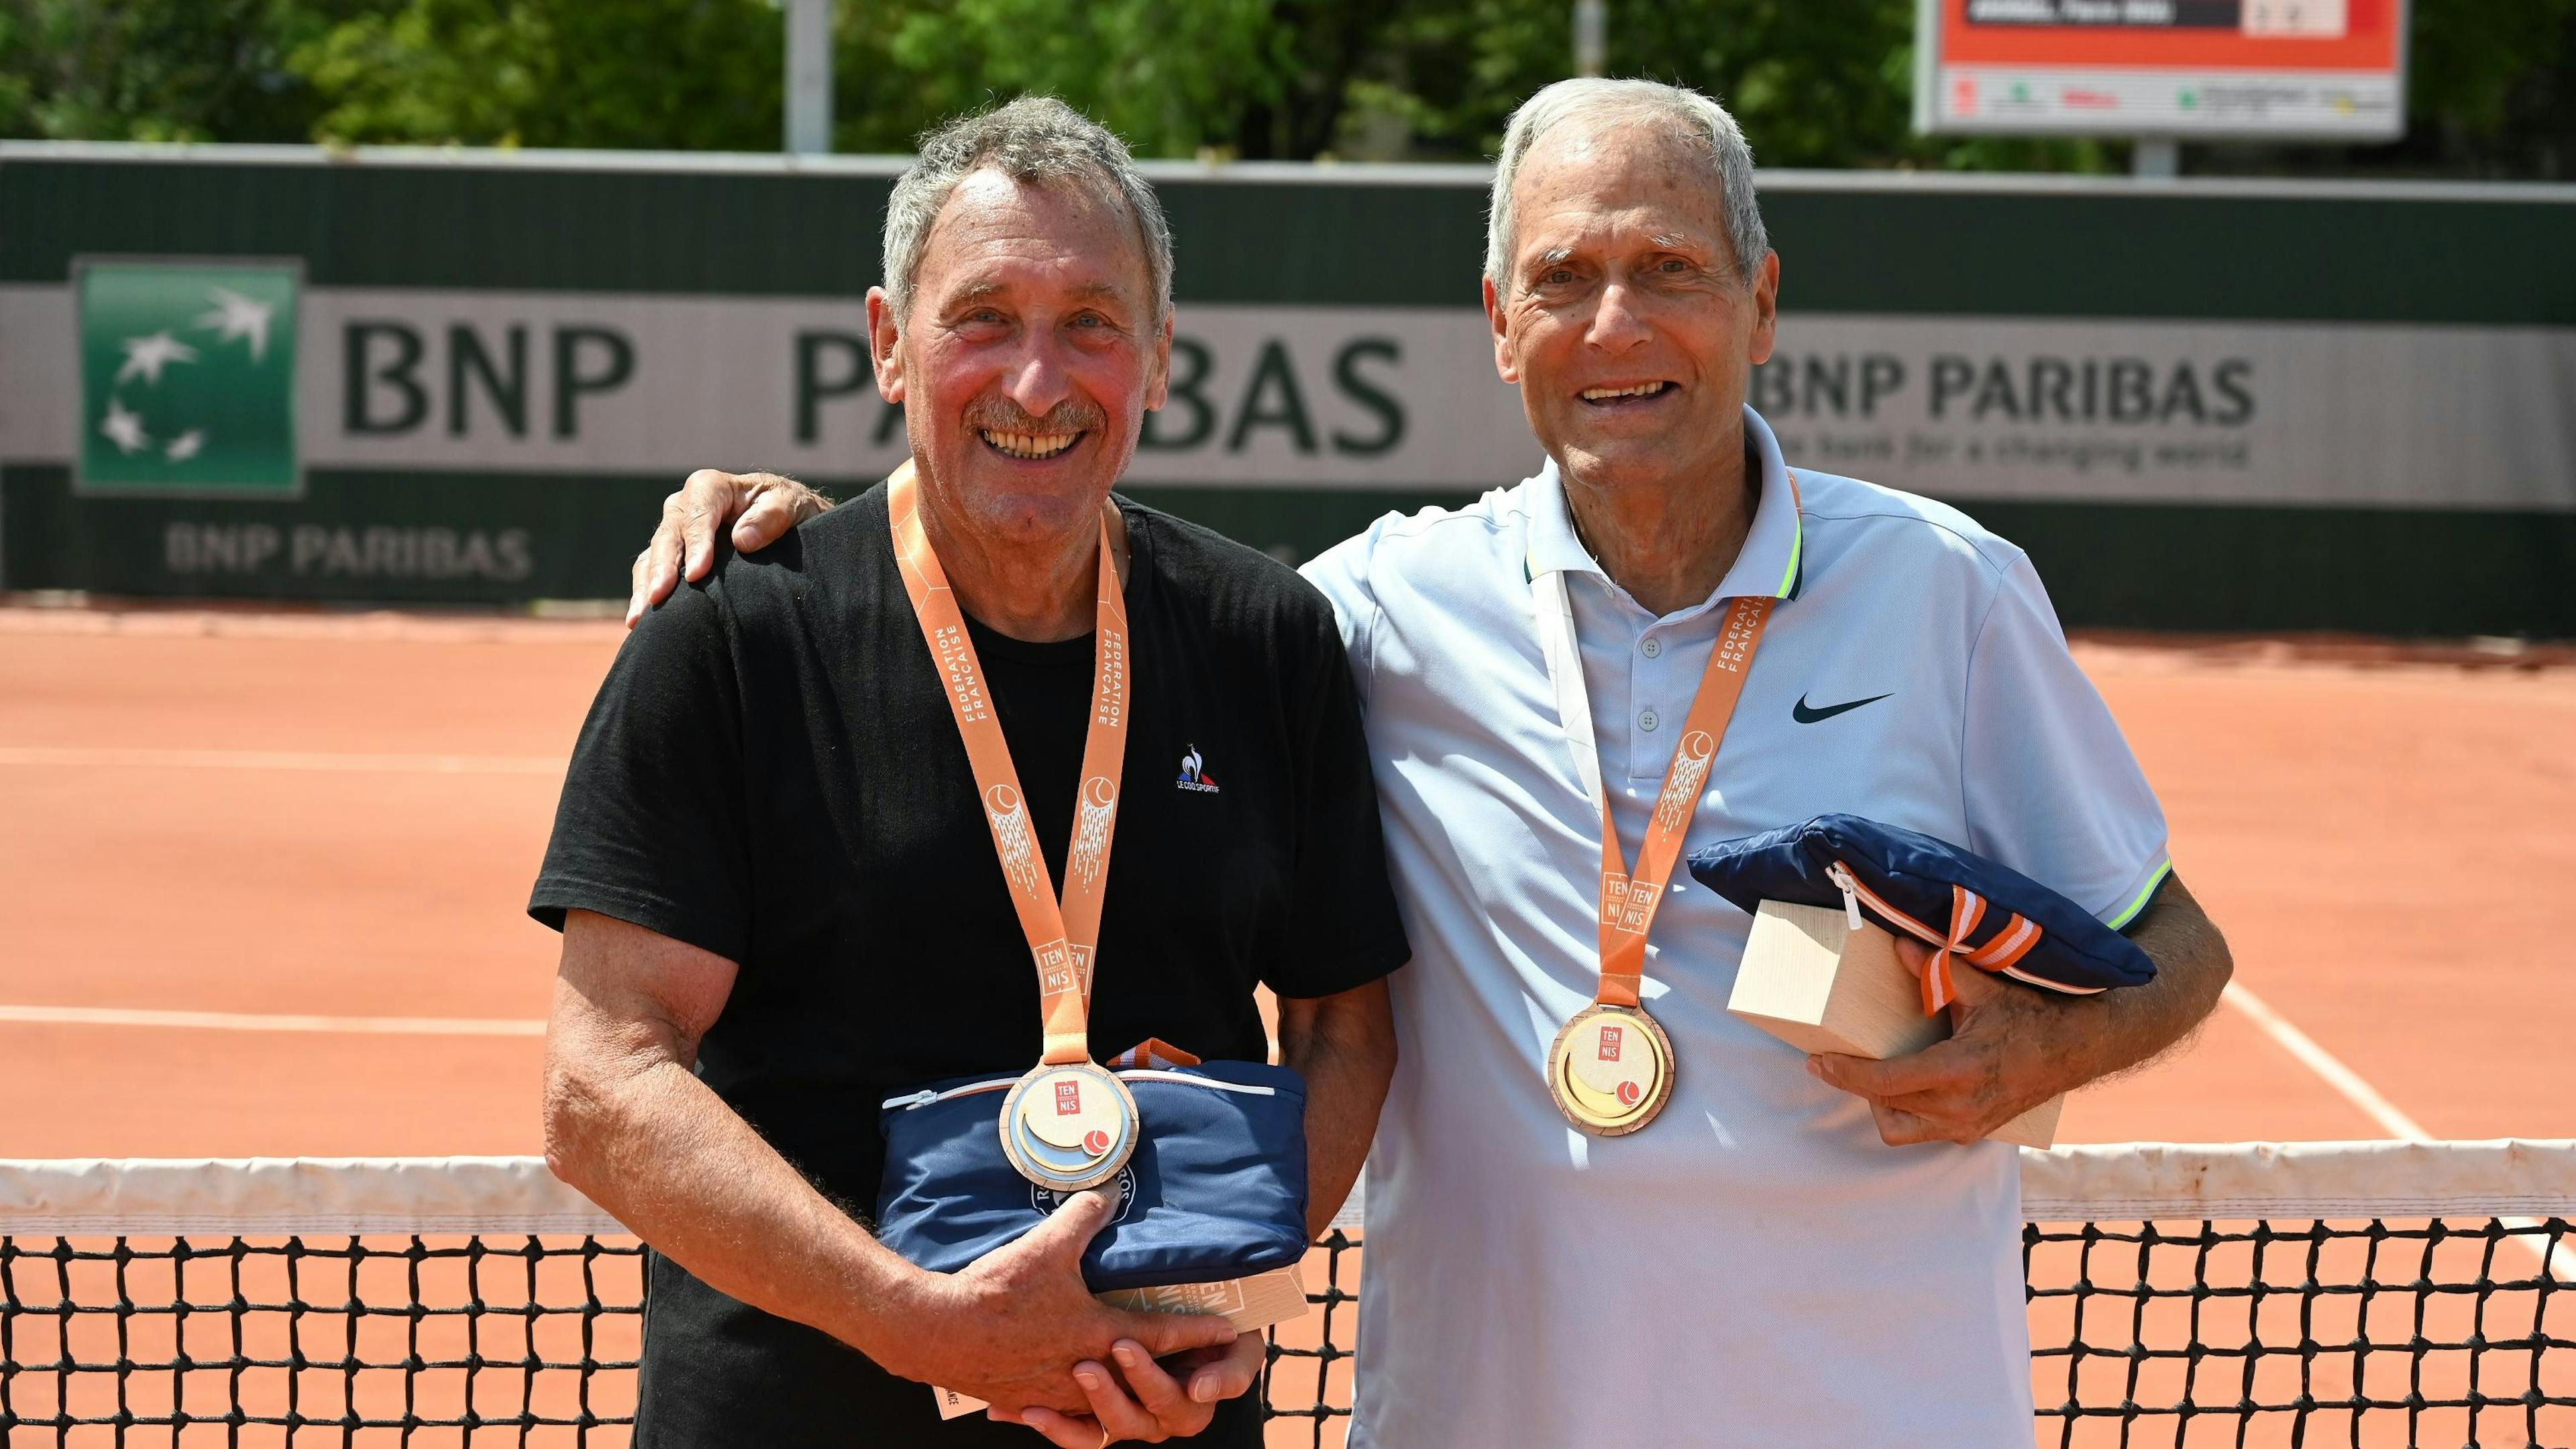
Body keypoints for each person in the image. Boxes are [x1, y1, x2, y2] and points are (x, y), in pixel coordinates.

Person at [637, 80, 2233, 1447]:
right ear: (1498, 323)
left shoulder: (1944, 588)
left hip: (1883, 1407)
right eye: (1564, 278)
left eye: (1669, 269)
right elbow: (1041, 547)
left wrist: (2041, 1055)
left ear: (1760, 299)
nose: (1617, 326)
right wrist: (807, 524)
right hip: (1483, 1410)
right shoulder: (1370, 613)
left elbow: (2174, 946)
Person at [536, 97, 1408, 1449]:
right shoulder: (735, 637)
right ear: (892, 343)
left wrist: (1230, 1281)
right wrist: (915, 1321)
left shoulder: (1264, 636)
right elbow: (600, 1089)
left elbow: (1347, 1022)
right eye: (984, 318)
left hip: (1158, 1424)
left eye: (1091, 326)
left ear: (1161, 358)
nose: (1036, 383)